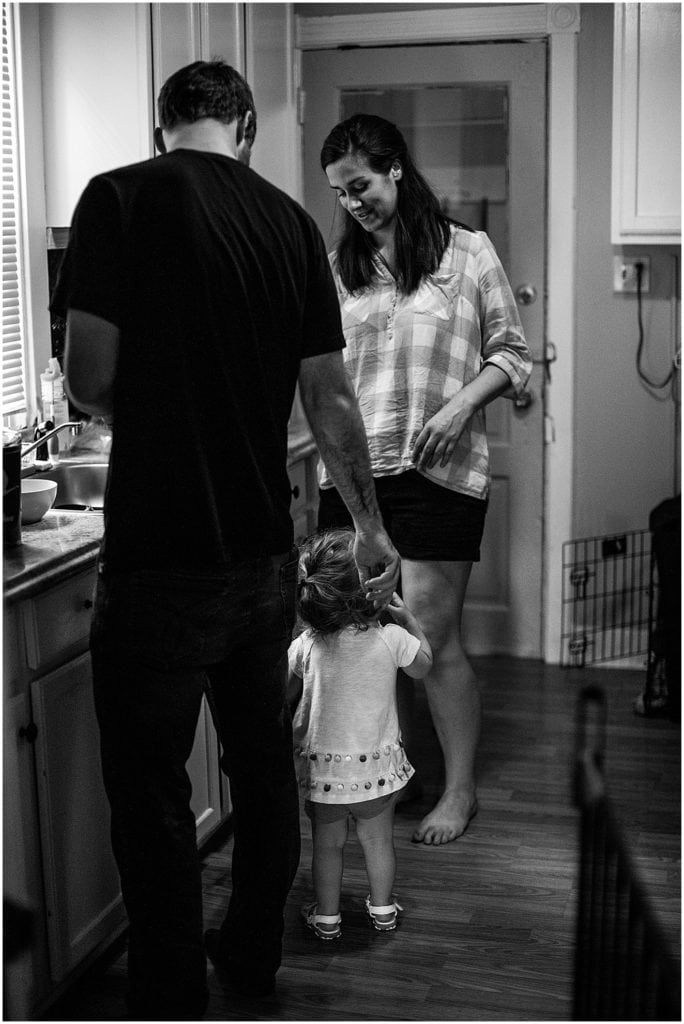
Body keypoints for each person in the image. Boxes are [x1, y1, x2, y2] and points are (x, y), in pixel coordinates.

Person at [51, 63, 400, 1019]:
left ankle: (168, 989)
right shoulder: (289, 224)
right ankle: (250, 960)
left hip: (159, 558)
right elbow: (330, 400)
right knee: (261, 769)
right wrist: (368, 526)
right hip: (260, 560)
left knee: (153, 791)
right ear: (243, 125)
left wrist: (162, 414)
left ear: (161, 124)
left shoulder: (117, 197)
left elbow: (86, 379)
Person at [317, 114, 532, 847]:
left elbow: (512, 353)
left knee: (430, 632)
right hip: (352, 475)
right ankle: (394, 777)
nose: (353, 203)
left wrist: (462, 404)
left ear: (396, 169)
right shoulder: (336, 269)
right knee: (370, 634)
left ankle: (460, 789)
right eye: (342, 194)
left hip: (438, 471)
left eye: (362, 185)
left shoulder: (466, 252)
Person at [288, 529, 432, 939]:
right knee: (378, 841)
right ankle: (383, 910)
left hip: (324, 774)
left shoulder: (308, 644)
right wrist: (407, 618)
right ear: (374, 592)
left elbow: (280, 688)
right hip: (377, 770)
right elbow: (424, 666)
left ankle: (328, 917)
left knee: (327, 846)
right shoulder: (391, 639)